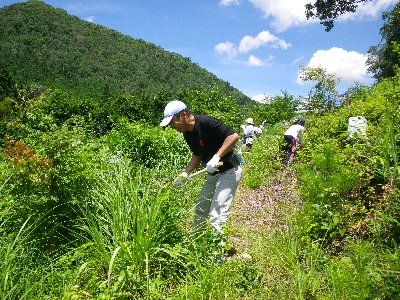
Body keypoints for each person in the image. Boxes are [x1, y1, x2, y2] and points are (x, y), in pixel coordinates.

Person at [160, 100, 242, 242]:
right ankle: (197, 243)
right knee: (201, 208)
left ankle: (217, 256)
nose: (172, 126)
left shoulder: (205, 122)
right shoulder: (187, 134)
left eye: (173, 122)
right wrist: (186, 173)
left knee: (218, 212)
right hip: (212, 173)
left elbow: (233, 136)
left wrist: (217, 156)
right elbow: (197, 154)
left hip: (229, 170)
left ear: (183, 115)